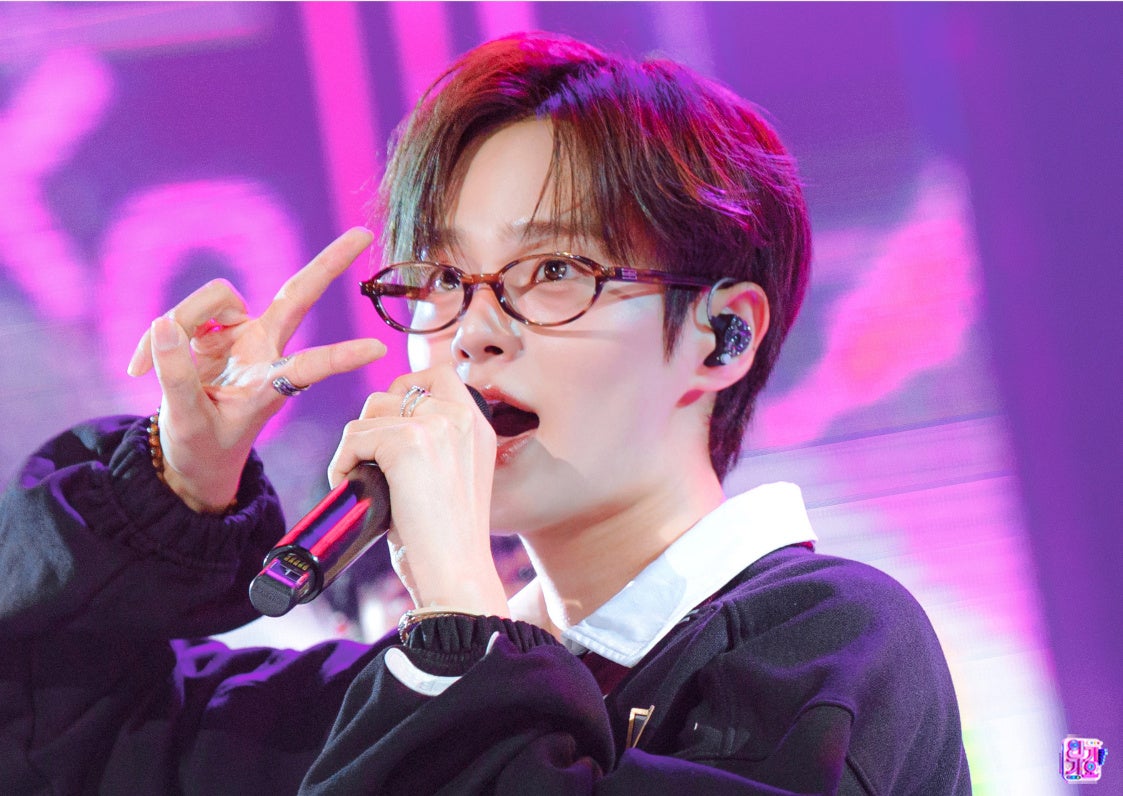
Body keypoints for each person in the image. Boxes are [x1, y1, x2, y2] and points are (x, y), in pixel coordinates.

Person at [0, 33, 970, 794]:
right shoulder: (402, 688)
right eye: (439, 279)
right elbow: (50, 743)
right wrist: (175, 491)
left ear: (722, 336)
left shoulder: (829, 643)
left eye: (553, 270)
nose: (470, 334)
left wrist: (460, 632)